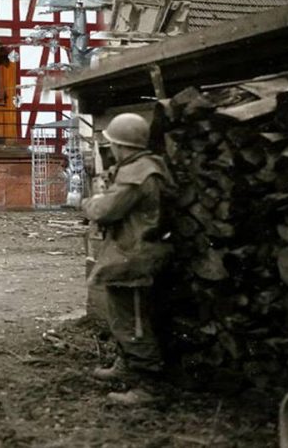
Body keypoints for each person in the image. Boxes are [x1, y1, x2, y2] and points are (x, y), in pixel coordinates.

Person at [82, 113, 174, 405]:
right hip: (129, 252)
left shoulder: (138, 173)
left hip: (133, 256)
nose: (111, 151)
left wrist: (89, 202)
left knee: (132, 321)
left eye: (113, 145)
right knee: (123, 316)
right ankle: (127, 363)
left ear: (123, 146)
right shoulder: (143, 167)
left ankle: (150, 387)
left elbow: (104, 211)